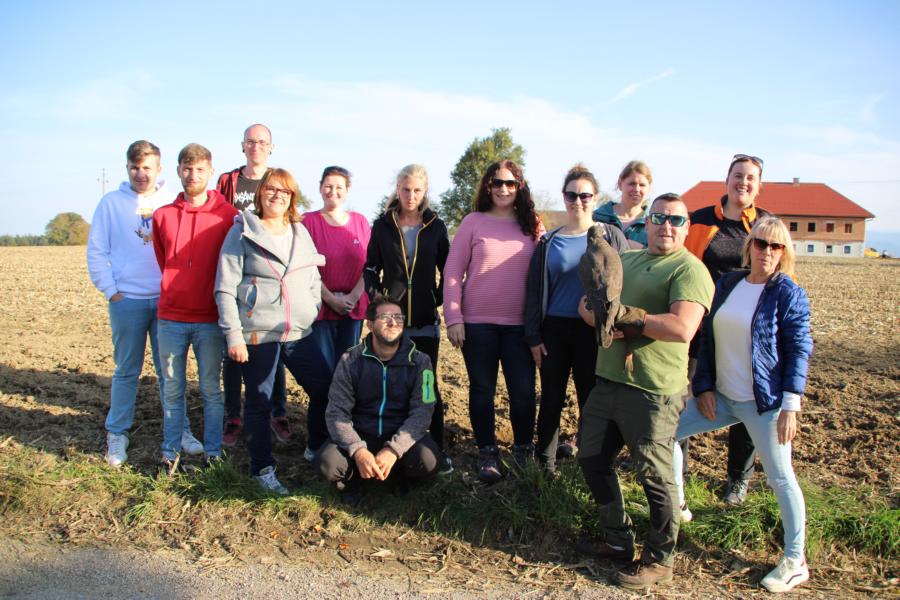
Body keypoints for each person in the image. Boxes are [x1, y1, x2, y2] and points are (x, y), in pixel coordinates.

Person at [576, 193, 713, 591]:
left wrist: (627, 318)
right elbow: (586, 306)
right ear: (647, 222)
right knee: (591, 458)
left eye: (676, 220)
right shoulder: (627, 260)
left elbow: (682, 327)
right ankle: (617, 539)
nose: (667, 225)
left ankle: (660, 559)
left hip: (653, 390)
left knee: (655, 475)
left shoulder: (690, 270)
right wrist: (601, 315)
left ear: (686, 227)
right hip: (608, 380)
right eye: (659, 217)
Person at [673, 216, 812, 593]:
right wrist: (704, 385)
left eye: (776, 246)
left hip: (764, 404)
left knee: (780, 477)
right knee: (666, 433)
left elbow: (799, 350)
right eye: (761, 243)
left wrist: (790, 405)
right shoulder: (729, 283)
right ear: (749, 247)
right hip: (722, 398)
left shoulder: (788, 293)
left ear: (784, 253)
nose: (767, 251)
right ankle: (678, 505)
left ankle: (795, 560)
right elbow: (707, 338)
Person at [215, 168, 332, 494]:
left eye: (284, 191)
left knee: (325, 388)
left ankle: (315, 445)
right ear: (260, 194)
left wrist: (311, 307)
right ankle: (262, 469)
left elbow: (313, 276)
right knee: (259, 401)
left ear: (292, 197)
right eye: (271, 189)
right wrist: (234, 335)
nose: (277, 196)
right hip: (259, 332)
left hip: (298, 332)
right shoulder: (242, 231)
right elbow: (225, 287)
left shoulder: (300, 231)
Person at [87, 140, 200, 466]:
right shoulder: (111, 204)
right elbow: (96, 251)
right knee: (126, 370)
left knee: (170, 372)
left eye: (147, 167)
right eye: (135, 167)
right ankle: (117, 433)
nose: (140, 173)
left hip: (167, 302)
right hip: (128, 302)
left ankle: (180, 430)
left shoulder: (171, 201)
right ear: (127, 168)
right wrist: (112, 291)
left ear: (159, 169)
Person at [524, 164, 628, 473]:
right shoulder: (549, 242)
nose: (578, 201)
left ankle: (592, 466)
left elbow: (627, 279)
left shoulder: (611, 236)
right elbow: (534, 291)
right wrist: (533, 335)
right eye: (572, 195)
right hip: (555, 330)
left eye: (585, 195)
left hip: (592, 332)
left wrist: (619, 323)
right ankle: (545, 466)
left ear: (595, 198)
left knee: (591, 401)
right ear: (564, 197)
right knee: (552, 399)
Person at [444, 159, 543, 483]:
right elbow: (452, 272)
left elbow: (545, 272)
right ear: (488, 186)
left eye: (510, 183)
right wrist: (454, 317)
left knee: (524, 392)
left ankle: (524, 448)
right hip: (477, 324)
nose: (503, 189)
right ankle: (487, 452)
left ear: (520, 187)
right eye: (497, 182)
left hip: (520, 326)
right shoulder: (473, 222)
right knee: (482, 390)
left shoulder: (532, 225)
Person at [684, 154, 772, 505]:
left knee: (744, 403)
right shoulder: (702, 220)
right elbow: (684, 264)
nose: (743, 182)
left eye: (751, 177)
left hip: (744, 331)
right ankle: (677, 469)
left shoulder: (765, 224)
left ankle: (738, 479)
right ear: (727, 179)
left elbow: (780, 275)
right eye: (738, 175)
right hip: (700, 327)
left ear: (759, 185)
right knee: (684, 396)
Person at [152, 143, 238, 471]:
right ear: (178, 171)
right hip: (171, 317)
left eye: (200, 169)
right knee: (172, 389)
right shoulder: (163, 216)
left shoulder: (227, 216)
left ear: (210, 172)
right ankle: (169, 452)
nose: (193, 175)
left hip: (210, 319)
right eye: (187, 169)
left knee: (210, 389)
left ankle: (213, 453)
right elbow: (163, 259)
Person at [363, 164, 452, 473]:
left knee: (427, 387)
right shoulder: (382, 225)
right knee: (391, 384)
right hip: (392, 324)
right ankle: (389, 447)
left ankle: (437, 448)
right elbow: (370, 268)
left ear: (424, 191)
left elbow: (449, 270)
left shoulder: (436, 226)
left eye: (416, 190)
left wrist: (435, 298)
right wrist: (378, 299)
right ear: (397, 189)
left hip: (425, 324)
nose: (410, 195)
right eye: (405, 189)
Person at [315, 295, 442, 504]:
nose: (393, 323)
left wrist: (394, 449)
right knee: (326, 464)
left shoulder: (421, 361)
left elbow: (423, 411)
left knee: (428, 460)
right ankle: (354, 478)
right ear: (370, 324)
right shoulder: (349, 360)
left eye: (398, 317)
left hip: (400, 435)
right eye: (385, 317)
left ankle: (398, 475)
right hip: (360, 434)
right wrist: (358, 450)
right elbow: (337, 412)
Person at [215, 124, 291, 448]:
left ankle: (278, 412)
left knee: (274, 352)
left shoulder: (277, 180)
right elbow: (218, 219)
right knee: (233, 350)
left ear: (271, 147)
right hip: (237, 269)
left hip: (268, 278)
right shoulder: (228, 181)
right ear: (242, 146)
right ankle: (233, 416)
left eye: (262, 142)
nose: (256, 146)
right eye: (250, 141)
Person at [303, 166, 371, 376]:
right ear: (320, 188)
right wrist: (331, 299)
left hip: (353, 306)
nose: (333, 191)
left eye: (339, 187)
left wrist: (353, 297)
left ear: (347, 190)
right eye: (328, 186)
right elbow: (305, 267)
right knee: (324, 369)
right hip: (320, 306)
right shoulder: (307, 222)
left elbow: (370, 265)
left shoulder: (360, 222)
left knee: (349, 368)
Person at [592, 160, 653, 249]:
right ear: (620, 184)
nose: (637, 189)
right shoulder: (598, 217)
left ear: (649, 187)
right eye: (632, 184)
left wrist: (642, 250)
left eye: (642, 185)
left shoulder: (654, 223)